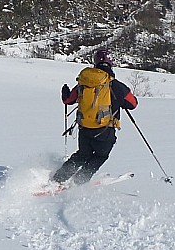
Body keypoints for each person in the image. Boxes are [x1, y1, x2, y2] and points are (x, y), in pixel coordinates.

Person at [51, 48, 138, 187]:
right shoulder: (116, 85)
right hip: (105, 131)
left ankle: (57, 179)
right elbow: (133, 104)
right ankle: (79, 181)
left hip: (84, 128)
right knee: (100, 156)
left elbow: (68, 100)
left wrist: (65, 93)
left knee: (82, 155)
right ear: (110, 63)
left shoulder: (84, 82)